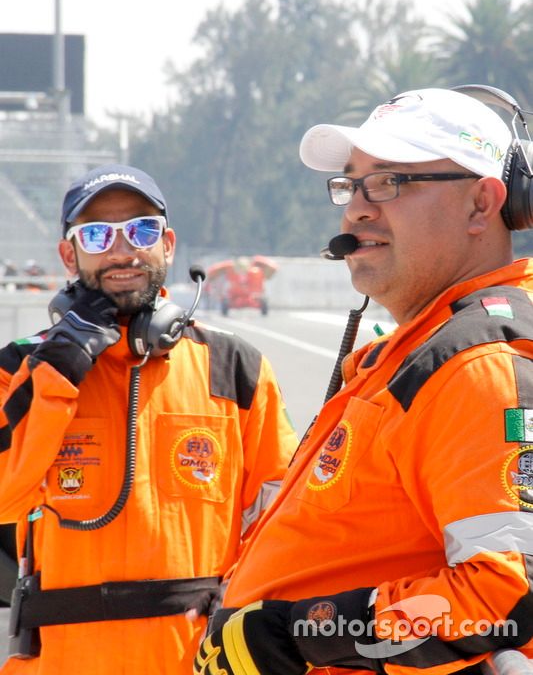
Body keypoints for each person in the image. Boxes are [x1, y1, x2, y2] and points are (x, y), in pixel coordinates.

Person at [195, 88, 533, 675]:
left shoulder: (477, 367)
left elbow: (504, 595)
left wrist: (299, 635)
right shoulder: (414, 354)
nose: (355, 209)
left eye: (390, 182)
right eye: (350, 185)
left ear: (482, 204)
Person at [0, 164, 297, 675]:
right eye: (96, 235)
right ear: (69, 255)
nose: (122, 251)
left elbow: (288, 525)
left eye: (141, 230)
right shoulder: (19, 369)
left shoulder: (234, 368)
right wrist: (59, 373)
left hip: (200, 661)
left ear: (169, 244)